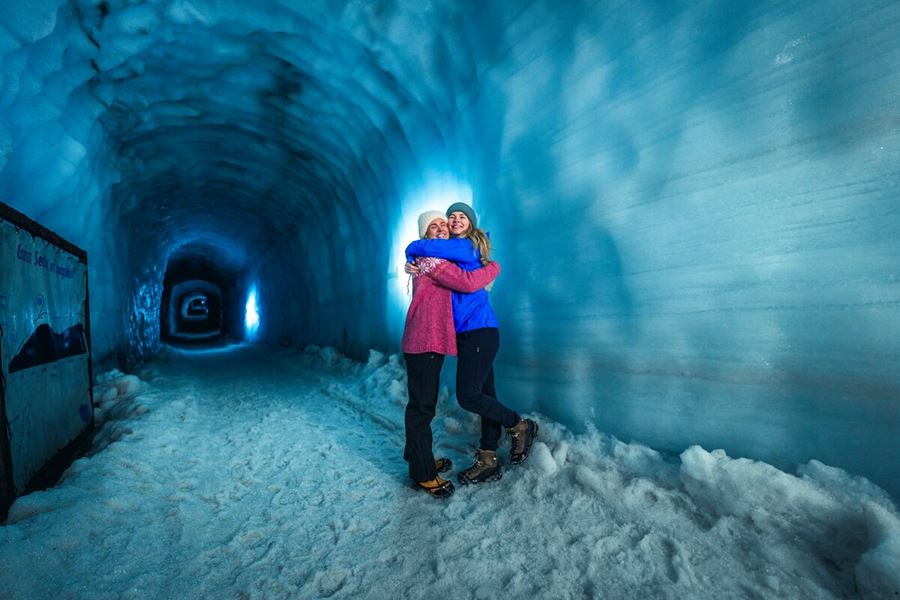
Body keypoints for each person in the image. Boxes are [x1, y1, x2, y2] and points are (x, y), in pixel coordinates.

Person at [405, 202, 538, 485]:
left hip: (480, 330)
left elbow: (456, 275)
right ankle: (488, 457)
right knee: (485, 392)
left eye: (460, 216)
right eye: (449, 216)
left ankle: (520, 425)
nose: (453, 220)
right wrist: (412, 261)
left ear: (471, 222)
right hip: (467, 333)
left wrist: (412, 250)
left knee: (469, 396)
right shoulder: (450, 253)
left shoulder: (464, 248)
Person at [402, 210, 501, 499]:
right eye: (434, 226)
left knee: (420, 405)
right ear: (426, 235)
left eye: (443, 224)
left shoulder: (431, 259)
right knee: (422, 408)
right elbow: (468, 283)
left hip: (428, 340)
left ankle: (418, 458)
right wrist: (493, 268)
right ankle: (423, 474)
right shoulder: (432, 260)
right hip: (425, 341)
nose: (442, 228)